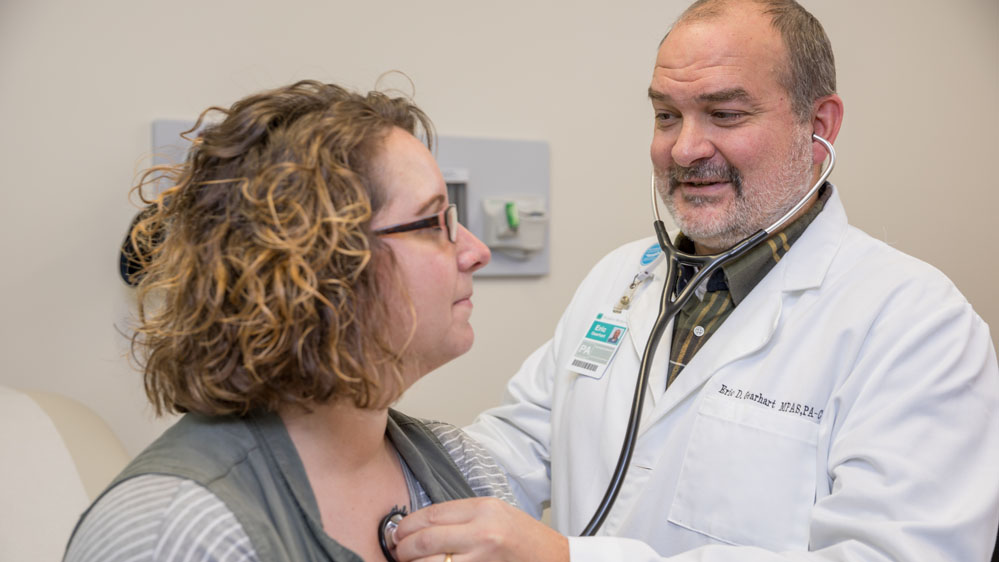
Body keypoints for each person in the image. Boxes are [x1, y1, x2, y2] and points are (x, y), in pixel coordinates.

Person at [391, 1, 999, 560]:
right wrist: (356, 437)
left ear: (820, 126)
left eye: (725, 114)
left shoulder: (917, 325)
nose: (683, 149)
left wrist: (572, 559)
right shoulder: (619, 280)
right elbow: (515, 451)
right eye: (665, 115)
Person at [65, 80, 513, 561]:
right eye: (432, 223)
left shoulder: (463, 469)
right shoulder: (177, 529)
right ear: (318, 268)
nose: (476, 252)